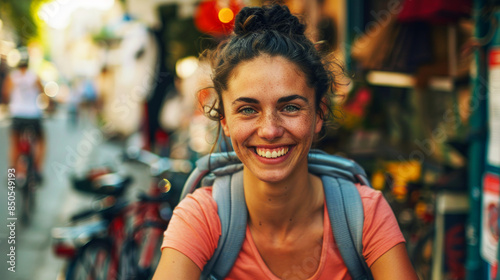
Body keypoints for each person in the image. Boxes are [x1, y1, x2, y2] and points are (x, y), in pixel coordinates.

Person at [153, 4, 418, 280]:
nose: (269, 130)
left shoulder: (363, 214)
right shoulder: (202, 217)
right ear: (224, 122)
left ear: (319, 113)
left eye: (290, 107)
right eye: (247, 109)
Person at [2, 47, 45, 182]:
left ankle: (12, 173)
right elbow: (43, 93)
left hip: (17, 114)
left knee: (14, 144)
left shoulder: (12, 77)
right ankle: (37, 169)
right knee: (41, 141)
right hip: (33, 115)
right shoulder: (34, 76)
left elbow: (6, 94)